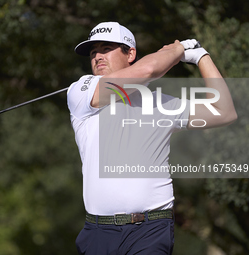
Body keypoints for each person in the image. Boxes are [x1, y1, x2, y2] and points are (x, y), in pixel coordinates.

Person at [67, 22, 237, 255]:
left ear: (131, 54)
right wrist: (178, 49)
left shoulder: (160, 103)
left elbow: (225, 111)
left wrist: (200, 56)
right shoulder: (81, 91)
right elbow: (147, 71)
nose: (97, 56)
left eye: (106, 48)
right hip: (99, 232)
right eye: (93, 52)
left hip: (151, 228)